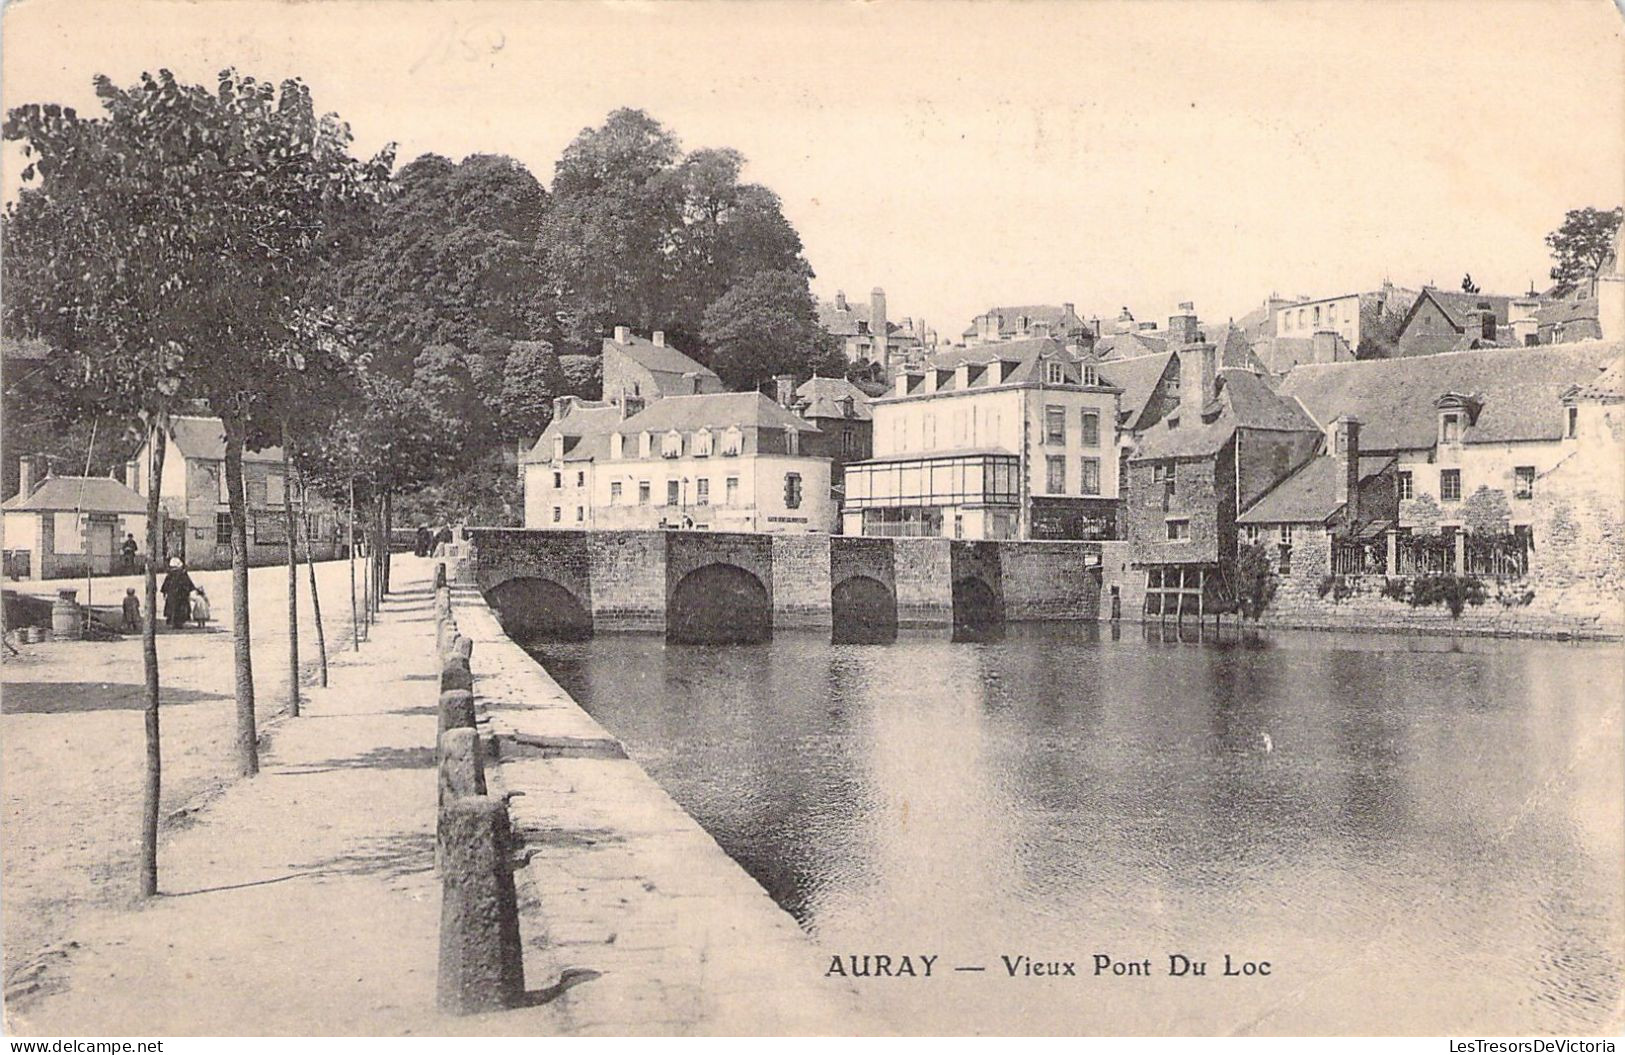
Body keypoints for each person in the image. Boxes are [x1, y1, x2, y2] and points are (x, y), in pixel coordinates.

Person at [160, 557, 195, 630]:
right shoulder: (182, 574)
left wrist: (164, 592)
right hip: (181, 595)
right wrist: (188, 591)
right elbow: (187, 584)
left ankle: (173, 622)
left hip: (172, 595)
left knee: (173, 609)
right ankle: (179, 623)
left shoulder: (170, 575)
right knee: (180, 609)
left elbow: (166, 585)